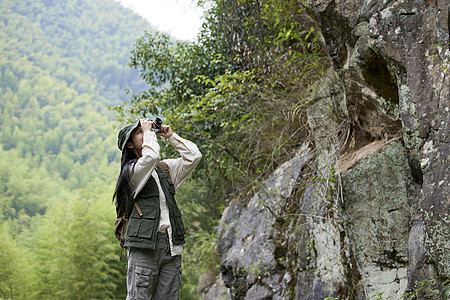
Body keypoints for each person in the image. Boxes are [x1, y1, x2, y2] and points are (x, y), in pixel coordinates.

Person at [113, 117, 202, 300]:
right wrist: (148, 133)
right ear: (129, 145)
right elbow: (151, 156)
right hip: (145, 248)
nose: (146, 133)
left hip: (171, 246)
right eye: (139, 132)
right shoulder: (131, 172)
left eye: (145, 130)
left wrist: (170, 136)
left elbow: (194, 156)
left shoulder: (164, 169)